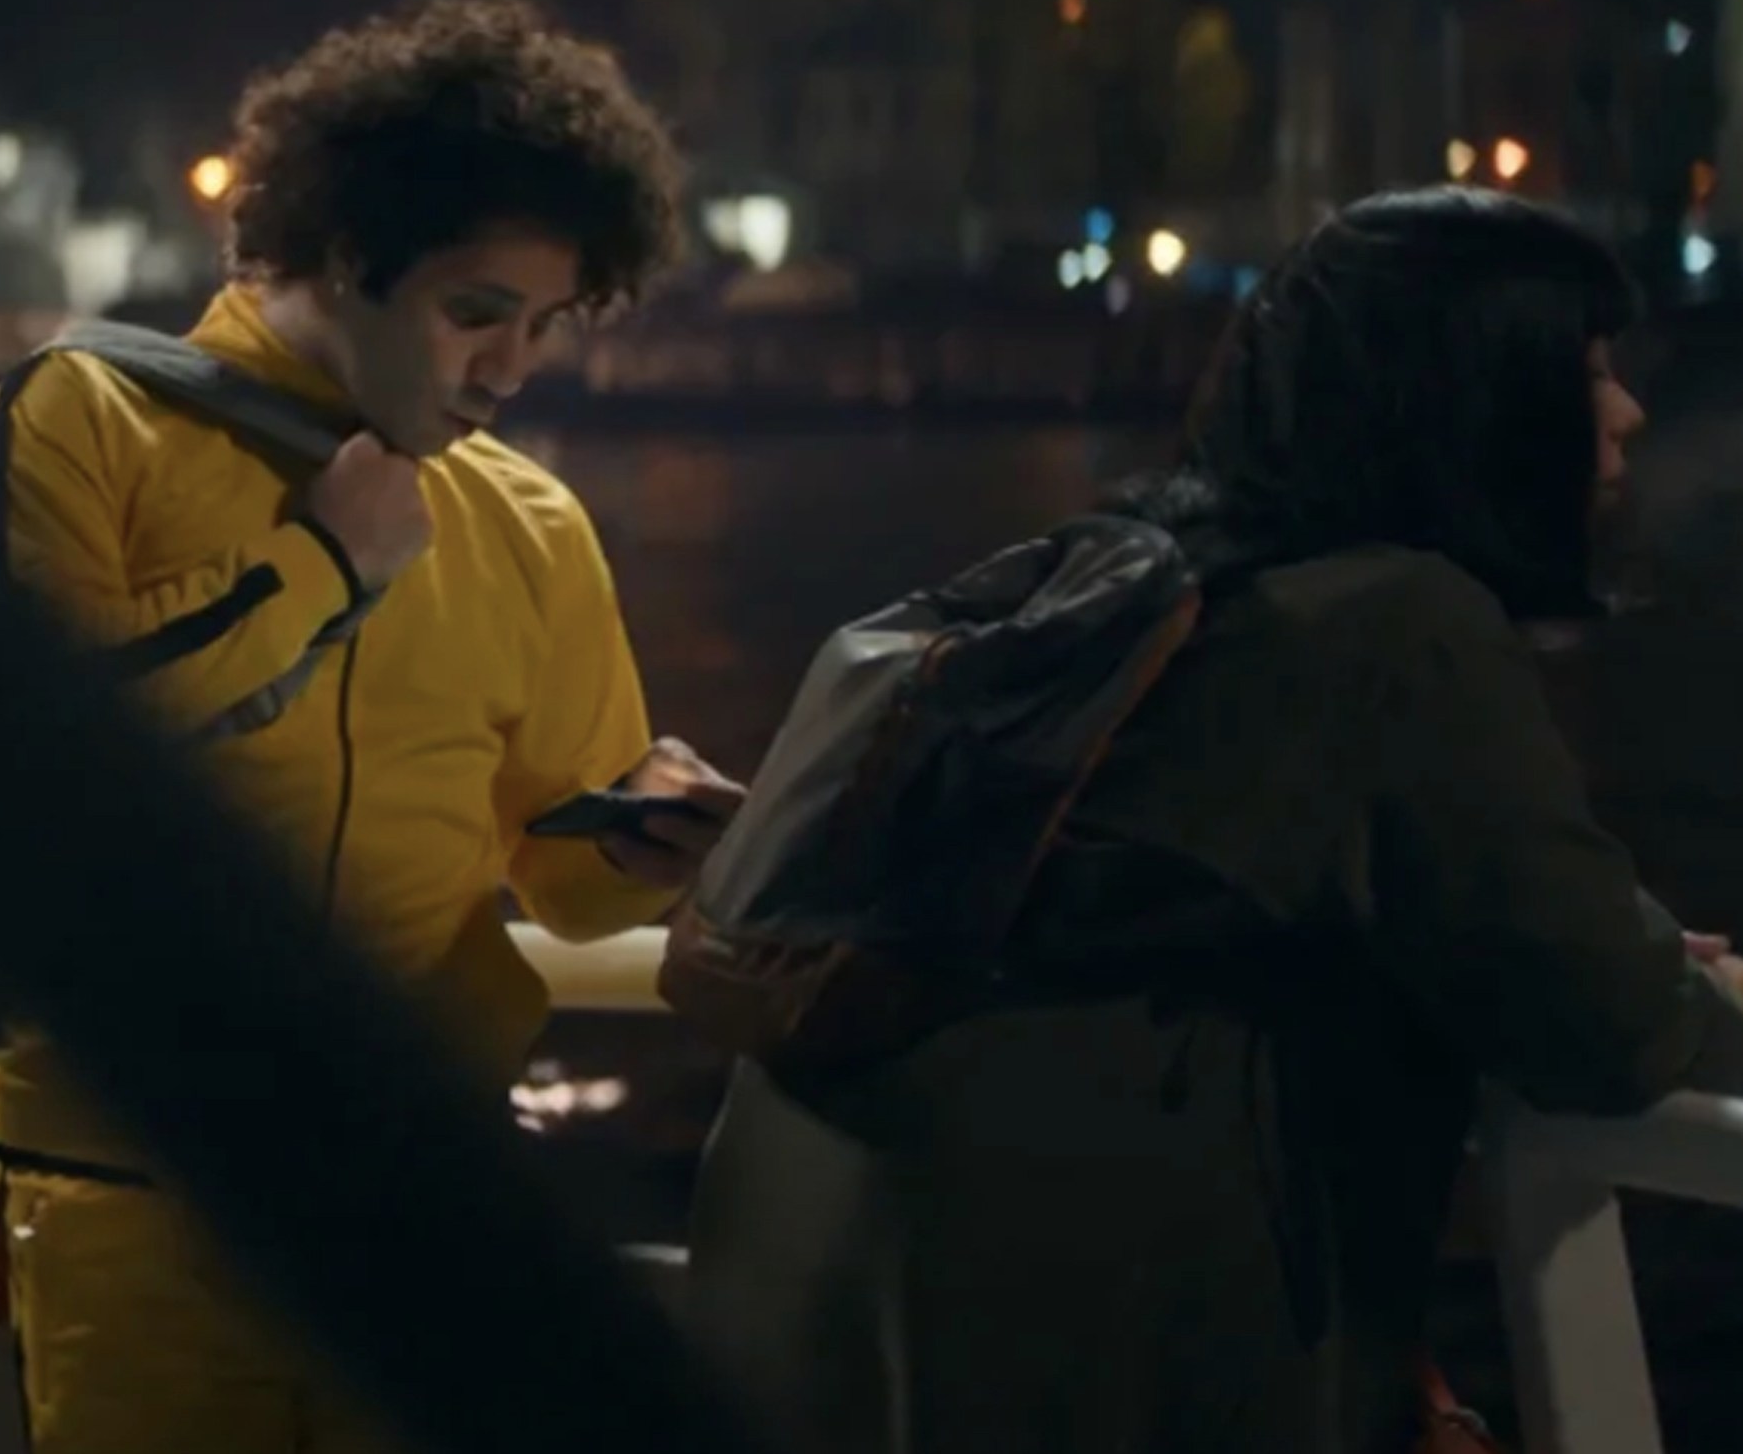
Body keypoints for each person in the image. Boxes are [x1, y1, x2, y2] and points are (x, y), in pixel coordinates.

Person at [682, 188, 1743, 1454]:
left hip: (815, 1318)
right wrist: (1671, 975)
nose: (1625, 411)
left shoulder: (1131, 576)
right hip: (1080, 1345)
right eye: (1587, 368)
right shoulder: (1398, 628)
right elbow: (1608, 1022)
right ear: (1483, 398)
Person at [0, 0, 743, 1453]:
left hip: (420, 1200)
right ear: (334, 252)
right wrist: (319, 566)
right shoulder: (83, 420)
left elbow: (563, 886)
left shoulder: (531, 522)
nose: (512, 370)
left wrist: (644, 833)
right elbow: (30, 779)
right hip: (134, 1188)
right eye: (474, 313)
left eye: (544, 325)